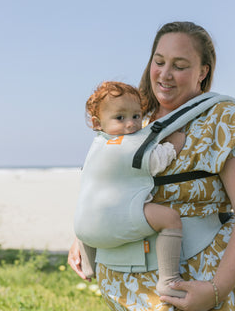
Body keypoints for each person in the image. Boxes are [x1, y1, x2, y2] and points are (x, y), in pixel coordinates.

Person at [69, 21, 235, 310]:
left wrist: (216, 289)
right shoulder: (133, 119)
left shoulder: (226, 120)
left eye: (179, 65)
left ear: (203, 71)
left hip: (200, 284)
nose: (165, 74)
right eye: (159, 61)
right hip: (129, 293)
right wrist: (87, 233)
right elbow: (106, 181)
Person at [74, 81, 187, 297]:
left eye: (136, 116)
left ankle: (89, 267)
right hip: (117, 218)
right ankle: (169, 280)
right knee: (170, 219)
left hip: (84, 229)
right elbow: (155, 162)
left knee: (85, 210)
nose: (131, 125)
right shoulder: (126, 145)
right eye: (120, 118)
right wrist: (175, 144)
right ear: (98, 123)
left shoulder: (97, 145)